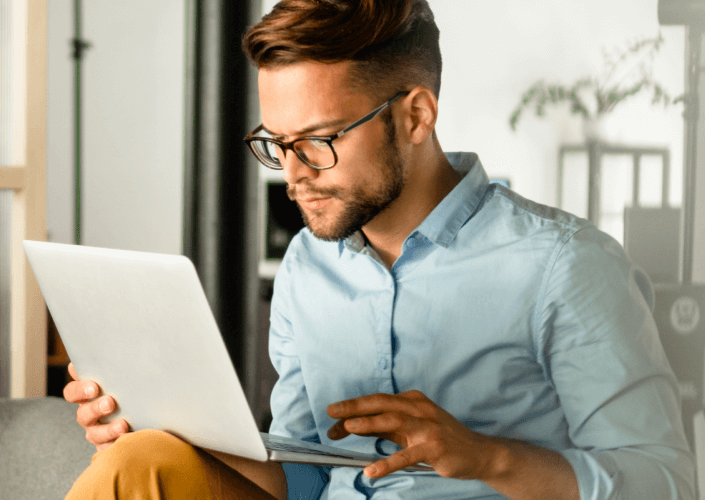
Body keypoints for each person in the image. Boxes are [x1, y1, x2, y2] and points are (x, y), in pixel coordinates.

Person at [63, 0, 695, 499]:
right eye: (277, 143)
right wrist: (172, 430)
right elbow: (305, 477)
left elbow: (666, 484)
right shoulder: (308, 270)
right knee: (141, 460)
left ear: (416, 117)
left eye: (317, 139)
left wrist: (486, 456)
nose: (293, 173)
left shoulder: (568, 266)